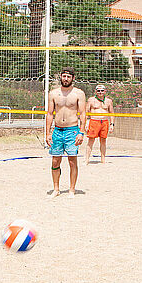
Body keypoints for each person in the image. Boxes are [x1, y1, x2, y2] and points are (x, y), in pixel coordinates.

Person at [44, 67, 85, 195]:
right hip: (57, 130)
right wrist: (47, 133)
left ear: (73, 78)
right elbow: (50, 114)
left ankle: (72, 189)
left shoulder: (78, 93)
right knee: (55, 160)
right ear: (60, 77)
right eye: (63, 76)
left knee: (72, 160)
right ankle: (56, 189)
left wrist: (81, 132)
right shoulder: (53, 93)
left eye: (68, 77)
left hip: (72, 130)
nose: (65, 79)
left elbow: (83, 114)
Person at [85, 85, 114, 164]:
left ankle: (103, 160)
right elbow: (86, 112)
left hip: (104, 122)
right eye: (98, 91)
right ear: (96, 91)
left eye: (102, 90)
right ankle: (87, 160)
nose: (100, 92)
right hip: (94, 121)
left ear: (105, 91)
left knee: (103, 141)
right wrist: (86, 123)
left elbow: (111, 113)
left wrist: (112, 124)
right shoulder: (91, 100)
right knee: (91, 141)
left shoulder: (108, 101)